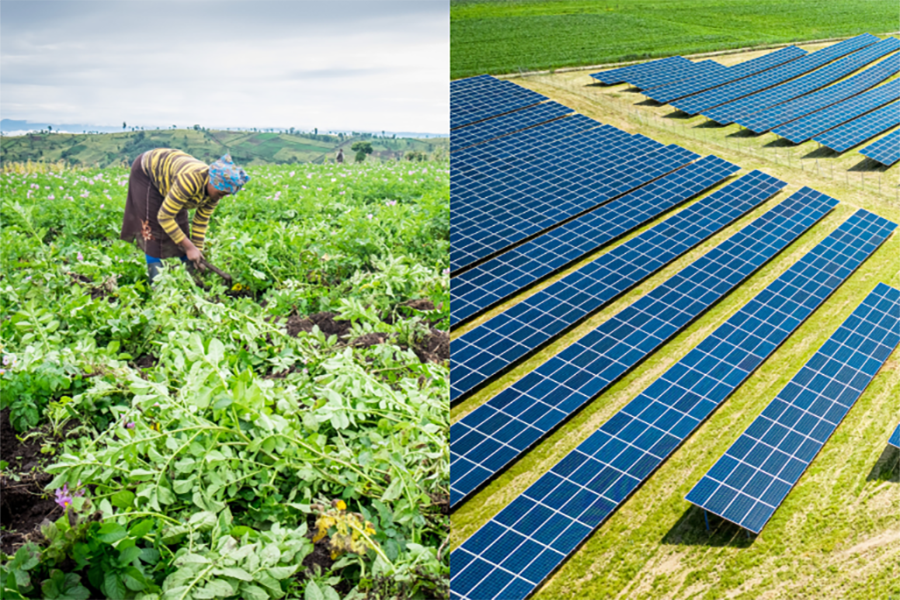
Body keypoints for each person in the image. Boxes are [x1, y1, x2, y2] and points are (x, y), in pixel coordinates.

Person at [120, 149, 250, 283]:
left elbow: (201, 221)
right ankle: (156, 281)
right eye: (222, 192)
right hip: (147, 172)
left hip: (171, 175)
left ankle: (189, 275)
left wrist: (197, 252)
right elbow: (164, 217)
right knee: (153, 228)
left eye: (226, 194)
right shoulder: (190, 181)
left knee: (181, 227)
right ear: (213, 182)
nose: (222, 197)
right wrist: (189, 247)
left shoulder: (214, 194)